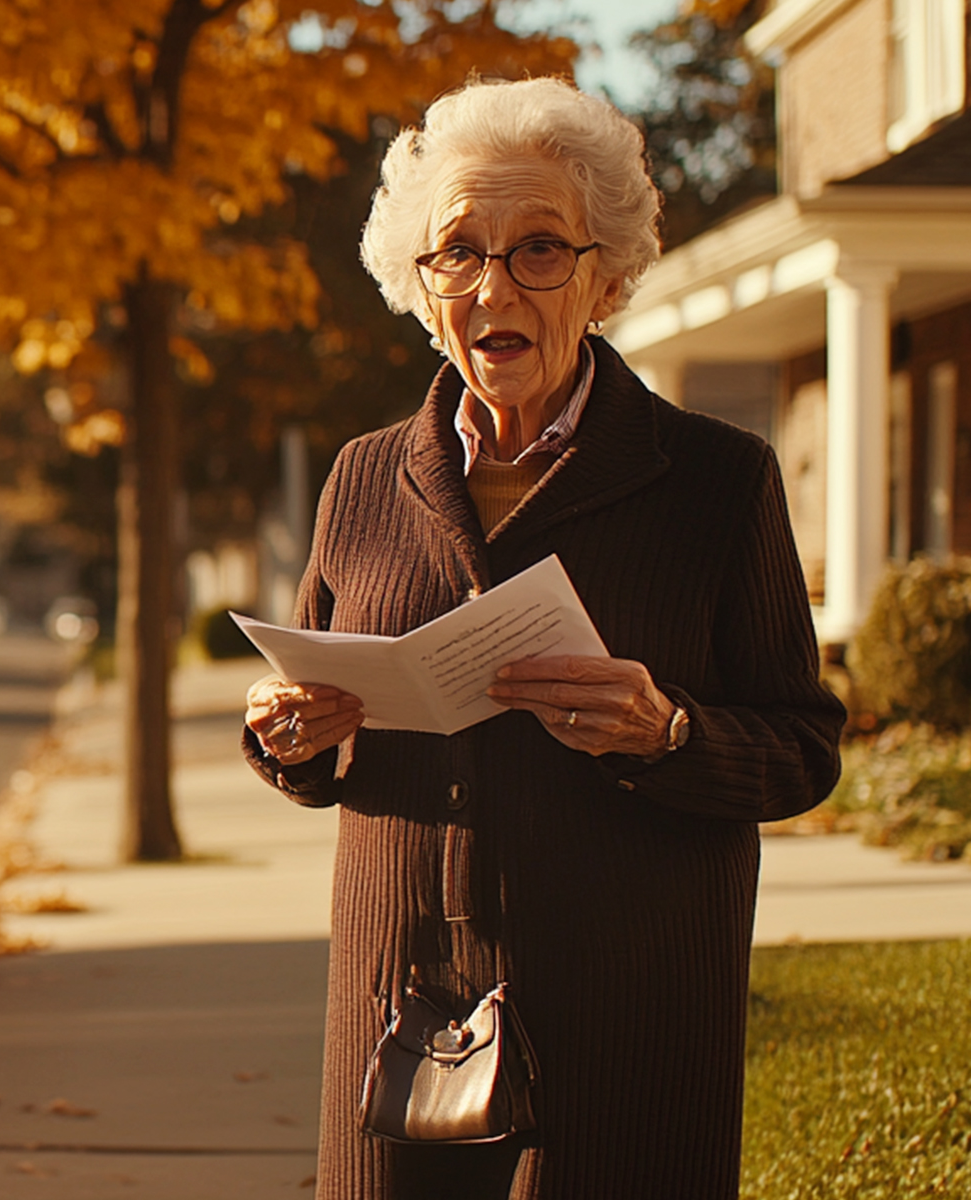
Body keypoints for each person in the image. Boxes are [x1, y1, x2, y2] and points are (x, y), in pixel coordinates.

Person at [241, 77, 845, 1200]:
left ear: (605, 277)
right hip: (400, 1001)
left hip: (628, 1013)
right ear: (422, 294)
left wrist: (665, 730)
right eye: (458, 253)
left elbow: (803, 750)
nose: (492, 284)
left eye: (537, 251)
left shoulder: (718, 481)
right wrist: (290, 736)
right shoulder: (363, 476)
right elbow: (312, 726)